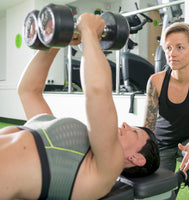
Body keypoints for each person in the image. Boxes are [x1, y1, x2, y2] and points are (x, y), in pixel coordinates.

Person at [0, 13, 159, 199]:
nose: (125, 125)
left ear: (137, 158)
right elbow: (28, 90)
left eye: (134, 132)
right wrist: (58, 42)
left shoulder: (107, 169)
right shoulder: (64, 138)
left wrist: (89, 32)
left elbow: (97, 91)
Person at [143, 22, 189, 200]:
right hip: (162, 144)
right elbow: (148, 126)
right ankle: (183, 177)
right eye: (168, 48)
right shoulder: (156, 81)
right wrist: (146, 154)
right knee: (164, 197)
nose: (172, 53)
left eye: (179, 47)